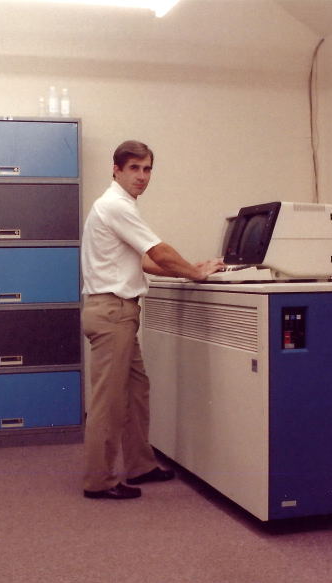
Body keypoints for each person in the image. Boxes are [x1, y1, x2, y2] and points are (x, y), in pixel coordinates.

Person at [80, 140, 224, 500]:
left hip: (120, 313)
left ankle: (140, 464)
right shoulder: (116, 205)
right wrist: (195, 273)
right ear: (116, 169)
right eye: (134, 168)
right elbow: (158, 251)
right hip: (112, 313)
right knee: (109, 401)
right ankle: (100, 481)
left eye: (147, 169)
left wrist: (190, 270)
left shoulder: (120, 206)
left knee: (136, 391)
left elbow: (142, 262)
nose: (142, 176)